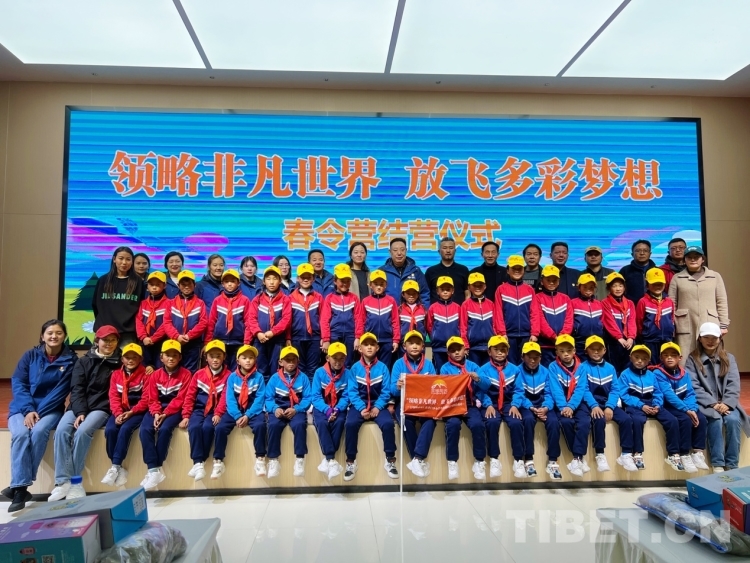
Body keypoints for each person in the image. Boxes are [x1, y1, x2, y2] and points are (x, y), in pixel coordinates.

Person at [5, 320, 77, 512]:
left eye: (59, 333)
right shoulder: (30, 356)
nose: (54, 336)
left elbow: (60, 392)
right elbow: (19, 383)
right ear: (42, 336)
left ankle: (18, 488)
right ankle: (21, 488)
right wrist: (28, 410)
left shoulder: (71, 361)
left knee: (38, 431)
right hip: (21, 408)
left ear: (65, 336)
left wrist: (37, 413)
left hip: (50, 409)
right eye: (50, 333)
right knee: (21, 434)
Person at [49, 325, 122, 501]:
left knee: (82, 432)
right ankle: (62, 482)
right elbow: (77, 388)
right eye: (105, 340)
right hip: (78, 406)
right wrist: (80, 411)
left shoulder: (121, 362)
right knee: (61, 431)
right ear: (97, 341)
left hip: (101, 408)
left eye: (113, 340)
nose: (109, 343)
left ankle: (76, 482)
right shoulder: (83, 361)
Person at [686, 323, 750, 472]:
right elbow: (694, 385)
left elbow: (734, 383)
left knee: (733, 420)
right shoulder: (693, 359)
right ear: (700, 338)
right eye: (706, 337)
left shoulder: (729, 358)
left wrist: (727, 403)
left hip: (727, 403)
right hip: (706, 404)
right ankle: (718, 463)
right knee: (715, 419)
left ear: (720, 339)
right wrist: (713, 403)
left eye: (714, 338)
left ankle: (732, 463)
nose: (710, 341)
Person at [618, 345, 681, 471]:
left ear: (648, 361)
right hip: (634, 404)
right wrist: (641, 405)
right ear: (630, 358)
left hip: (651, 403)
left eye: (644, 358)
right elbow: (623, 395)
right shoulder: (625, 374)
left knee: (672, 420)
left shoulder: (652, 375)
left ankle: (673, 454)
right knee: (637, 420)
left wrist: (657, 404)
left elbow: (658, 392)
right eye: (636, 357)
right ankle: (637, 453)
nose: (640, 361)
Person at [139, 340, 192, 490]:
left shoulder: (186, 374)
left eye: (175, 355)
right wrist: (156, 413)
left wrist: (166, 413)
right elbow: (152, 398)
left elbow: (181, 398)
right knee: (145, 429)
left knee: (165, 429)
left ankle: (156, 467)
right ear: (161, 357)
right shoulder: (155, 375)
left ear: (180, 357)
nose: (171, 358)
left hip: (174, 410)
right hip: (156, 409)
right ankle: (153, 470)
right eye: (168, 355)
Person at [578, 335, 637, 472]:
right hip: (591, 403)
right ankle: (600, 454)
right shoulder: (582, 367)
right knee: (598, 419)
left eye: (599, 349)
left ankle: (626, 454)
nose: (596, 352)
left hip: (607, 403)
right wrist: (594, 406)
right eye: (592, 349)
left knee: (626, 419)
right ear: (586, 351)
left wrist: (610, 406)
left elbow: (615, 389)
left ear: (605, 350)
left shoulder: (610, 368)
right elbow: (584, 390)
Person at [345, 333, 398, 480]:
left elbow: (386, 391)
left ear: (377, 347)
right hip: (359, 405)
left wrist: (378, 407)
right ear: (360, 348)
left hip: (377, 404)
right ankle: (350, 462)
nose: (369, 347)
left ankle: (390, 460)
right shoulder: (355, 368)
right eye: (366, 344)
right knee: (350, 424)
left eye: (372, 344)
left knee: (388, 424)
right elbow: (352, 392)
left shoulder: (383, 368)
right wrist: (361, 408)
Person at [180, 340, 232, 481]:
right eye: (211, 356)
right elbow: (190, 396)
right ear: (206, 357)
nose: (215, 359)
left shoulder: (229, 375)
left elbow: (225, 398)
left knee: (208, 427)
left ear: (224, 357)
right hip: (199, 409)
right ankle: (198, 463)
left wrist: (218, 413)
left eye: (218, 356)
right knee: (194, 427)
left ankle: (201, 461)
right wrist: (186, 415)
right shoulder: (198, 374)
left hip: (215, 411)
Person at [653, 342, 708, 473]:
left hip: (684, 405)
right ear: (661, 357)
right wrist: (686, 410)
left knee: (702, 419)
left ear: (680, 358)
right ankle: (684, 453)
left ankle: (697, 452)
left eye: (673, 355)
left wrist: (692, 409)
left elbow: (690, 393)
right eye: (666, 355)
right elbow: (669, 395)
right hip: (668, 406)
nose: (669, 358)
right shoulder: (658, 373)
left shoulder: (685, 373)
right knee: (685, 420)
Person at [440, 337, 489, 480]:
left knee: (478, 425)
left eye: (459, 349)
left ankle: (479, 461)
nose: (456, 353)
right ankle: (452, 462)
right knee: (453, 425)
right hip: (453, 405)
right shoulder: (444, 368)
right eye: (452, 350)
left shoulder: (473, 366)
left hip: (470, 403)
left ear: (465, 350)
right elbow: (443, 389)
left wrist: (478, 379)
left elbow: (487, 385)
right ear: (448, 353)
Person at [101, 343, 150, 488]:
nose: (130, 360)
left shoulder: (146, 374)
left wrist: (132, 412)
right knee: (110, 430)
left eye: (134, 357)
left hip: (137, 411)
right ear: (122, 359)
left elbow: (146, 399)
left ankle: (115, 466)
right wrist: (118, 413)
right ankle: (118, 468)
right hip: (120, 410)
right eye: (127, 357)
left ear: (140, 359)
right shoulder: (116, 374)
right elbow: (113, 397)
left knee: (125, 428)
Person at [510, 341, 561, 479]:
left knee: (554, 422)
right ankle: (528, 459)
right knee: (527, 420)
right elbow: (519, 393)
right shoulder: (517, 371)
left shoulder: (546, 372)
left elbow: (549, 393)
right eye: (529, 357)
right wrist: (531, 407)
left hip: (543, 405)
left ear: (540, 357)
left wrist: (545, 407)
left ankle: (553, 461)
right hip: (526, 405)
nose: (533, 360)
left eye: (536, 357)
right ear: (522, 357)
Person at [668, 246, 729, 360]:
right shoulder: (677, 278)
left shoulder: (715, 276)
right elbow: (671, 304)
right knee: (685, 358)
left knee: (711, 358)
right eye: (689, 257)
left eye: (696, 257)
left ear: (703, 259)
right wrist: (672, 325)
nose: (693, 260)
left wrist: (723, 324)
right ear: (684, 260)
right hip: (685, 324)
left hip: (710, 322)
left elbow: (721, 301)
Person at [391, 330, 437, 478]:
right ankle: (418, 459)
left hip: (424, 403)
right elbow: (392, 390)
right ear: (404, 346)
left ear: (423, 346)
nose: (415, 346)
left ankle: (417, 459)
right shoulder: (398, 364)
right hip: (405, 402)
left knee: (431, 420)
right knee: (405, 420)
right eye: (411, 343)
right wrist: (398, 387)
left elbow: (435, 387)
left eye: (418, 343)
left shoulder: (428, 364)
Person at [477, 335, 523, 479]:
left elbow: (519, 390)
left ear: (508, 352)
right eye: (496, 349)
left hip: (509, 403)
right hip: (491, 403)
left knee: (516, 422)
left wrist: (515, 405)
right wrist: (488, 404)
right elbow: (480, 391)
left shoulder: (515, 370)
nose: (500, 352)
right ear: (489, 352)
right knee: (491, 422)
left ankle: (518, 460)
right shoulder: (483, 370)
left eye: (503, 349)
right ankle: (494, 459)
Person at [265, 346, 312, 478]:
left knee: (299, 425)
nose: (291, 362)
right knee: (273, 425)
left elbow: (308, 398)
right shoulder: (274, 378)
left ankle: (300, 459)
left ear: (298, 361)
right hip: (279, 408)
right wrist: (275, 409)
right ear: (281, 362)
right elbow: (268, 398)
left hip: (296, 409)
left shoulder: (303, 378)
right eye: (287, 360)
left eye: (293, 360)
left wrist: (297, 409)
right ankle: (273, 460)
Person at [547, 335, 589, 477]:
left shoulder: (581, 368)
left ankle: (577, 459)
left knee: (585, 422)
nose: (566, 354)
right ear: (557, 352)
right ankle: (578, 457)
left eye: (569, 350)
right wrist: (564, 407)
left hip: (576, 403)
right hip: (561, 405)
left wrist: (571, 406)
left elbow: (580, 389)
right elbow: (555, 389)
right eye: (562, 351)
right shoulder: (553, 367)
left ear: (574, 351)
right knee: (565, 422)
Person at [223, 345, 268, 477]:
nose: (248, 360)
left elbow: (260, 399)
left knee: (260, 425)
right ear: (238, 361)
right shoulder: (232, 377)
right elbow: (230, 399)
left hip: (253, 411)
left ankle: (260, 459)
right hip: (235, 411)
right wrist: (237, 415)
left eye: (251, 358)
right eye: (244, 358)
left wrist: (248, 415)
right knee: (220, 427)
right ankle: (218, 460)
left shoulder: (259, 377)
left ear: (255, 360)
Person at [311, 342, 350, 480]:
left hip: (339, 408)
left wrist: (338, 409)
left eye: (341, 358)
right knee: (322, 423)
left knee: (339, 423)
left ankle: (328, 460)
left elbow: (347, 396)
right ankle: (331, 459)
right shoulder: (319, 373)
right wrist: (327, 410)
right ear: (327, 358)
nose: (338, 361)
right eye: (335, 358)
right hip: (322, 407)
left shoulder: (348, 374)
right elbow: (315, 396)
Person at [493, 255, 540, 365]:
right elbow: (498, 313)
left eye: (519, 268)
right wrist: (502, 333)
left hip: (526, 335)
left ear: (524, 270)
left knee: (526, 365)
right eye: (514, 268)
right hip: (508, 336)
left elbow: (534, 313)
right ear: (508, 270)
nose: (517, 271)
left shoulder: (529, 289)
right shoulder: (501, 289)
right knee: (509, 365)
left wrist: (534, 333)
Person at [92, 246, 144, 346]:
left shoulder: (138, 282)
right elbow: (95, 305)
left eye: (128, 259)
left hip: (128, 333)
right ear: (114, 259)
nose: (124, 262)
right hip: (104, 332)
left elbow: (142, 307)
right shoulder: (103, 280)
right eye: (121, 258)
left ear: (132, 261)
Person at [206, 269, 252, 371]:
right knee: (221, 371)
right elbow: (211, 322)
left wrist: (246, 342)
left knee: (236, 371)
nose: (230, 284)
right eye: (226, 282)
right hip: (219, 342)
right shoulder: (217, 300)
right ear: (222, 284)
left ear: (238, 283)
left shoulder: (245, 300)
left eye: (233, 281)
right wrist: (207, 342)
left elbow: (248, 323)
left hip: (238, 342)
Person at [249, 266, 292, 378]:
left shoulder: (285, 299)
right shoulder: (257, 299)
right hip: (260, 340)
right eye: (268, 279)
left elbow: (286, 319)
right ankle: (262, 389)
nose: (271, 282)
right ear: (263, 281)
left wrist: (273, 332)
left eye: (275, 279)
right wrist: (258, 333)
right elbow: (251, 319)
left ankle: (273, 389)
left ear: (280, 281)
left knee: (276, 370)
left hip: (277, 340)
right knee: (260, 370)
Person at [163, 270, 207, 373]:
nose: (186, 287)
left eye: (189, 284)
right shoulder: (171, 303)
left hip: (193, 343)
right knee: (173, 370)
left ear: (194, 285)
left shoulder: (200, 303)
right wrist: (176, 336)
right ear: (178, 285)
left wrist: (189, 336)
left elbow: (203, 322)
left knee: (190, 371)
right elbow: (167, 322)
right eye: (183, 284)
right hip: (174, 341)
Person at [355, 270, 400, 367]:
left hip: (387, 340)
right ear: (370, 285)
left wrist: (396, 340)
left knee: (385, 366)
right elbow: (361, 321)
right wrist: (358, 337)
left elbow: (395, 321)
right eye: (376, 284)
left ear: (386, 285)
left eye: (381, 284)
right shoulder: (365, 301)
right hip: (369, 341)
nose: (379, 287)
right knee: (369, 366)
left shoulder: (391, 301)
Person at [286, 264, 322, 380]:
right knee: (298, 368)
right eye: (303, 277)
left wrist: (324, 337)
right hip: (296, 338)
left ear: (313, 278)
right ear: (297, 278)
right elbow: (288, 320)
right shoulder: (290, 297)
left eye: (308, 277)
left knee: (313, 369)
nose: (305, 280)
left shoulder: (319, 297)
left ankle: (312, 391)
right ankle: (301, 390)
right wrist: (288, 338)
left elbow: (323, 318)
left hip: (314, 338)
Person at [320, 264, 360, 368]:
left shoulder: (354, 298)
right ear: (335, 281)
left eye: (348, 281)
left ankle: (347, 379)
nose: (345, 284)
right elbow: (324, 320)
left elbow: (359, 319)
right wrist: (326, 339)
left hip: (350, 335)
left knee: (348, 362)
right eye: (342, 280)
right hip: (334, 334)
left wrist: (358, 337)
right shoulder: (329, 298)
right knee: (334, 363)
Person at [536, 265, 573, 367]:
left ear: (559, 281)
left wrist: (562, 337)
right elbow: (540, 319)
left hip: (563, 345)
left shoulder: (565, 298)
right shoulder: (537, 298)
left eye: (554, 280)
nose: (551, 283)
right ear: (542, 281)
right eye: (548, 280)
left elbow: (569, 320)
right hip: (545, 346)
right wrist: (553, 336)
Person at [636, 268, 675, 363]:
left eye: (660, 284)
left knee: (666, 364)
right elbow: (639, 321)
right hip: (650, 340)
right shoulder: (643, 301)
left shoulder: (669, 301)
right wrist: (645, 335)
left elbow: (672, 318)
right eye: (654, 284)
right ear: (647, 285)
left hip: (667, 339)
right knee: (651, 364)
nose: (657, 286)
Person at [380, 238, 430, 306]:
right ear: (390, 252)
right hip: (389, 311)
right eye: (395, 250)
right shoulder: (382, 271)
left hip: (411, 312)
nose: (399, 253)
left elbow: (424, 293)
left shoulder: (415, 270)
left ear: (406, 250)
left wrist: (423, 310)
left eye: (402, 250)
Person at [135, 272, 169, 373]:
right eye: (151, 284)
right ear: (147, 287)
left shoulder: (169, 303)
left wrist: (154, 338)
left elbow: (166, 323)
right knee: (144, 369)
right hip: (145, 342)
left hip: (161, 342)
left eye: (158, 284)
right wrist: (144, 337)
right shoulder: (143, 303)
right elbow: (138, 321)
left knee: (160, 369)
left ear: (164, 285)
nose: (154, 287)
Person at [426, 276, 461, 372]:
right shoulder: (433, 308)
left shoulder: (458, 307)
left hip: (454, 347)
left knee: (454, 372)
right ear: (437, 291)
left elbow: (461, 326)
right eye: (442, 289)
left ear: (452, 291)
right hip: (438, 347)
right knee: (440, 372)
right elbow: (429, 326)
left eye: (448, 289)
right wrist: (435, 337)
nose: (445, 292)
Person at [459, 273, 495, 366]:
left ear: (485, 286)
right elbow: (463, 327)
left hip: (489, 347)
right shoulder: (465, 305)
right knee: (474, 373)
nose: (477, 287)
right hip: (473, 348)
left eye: (480, 285)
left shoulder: (491, 304)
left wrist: (495, 343)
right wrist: (466, 345)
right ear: (469, 287)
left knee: (487, 373)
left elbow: (495, 325)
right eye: (474, 285)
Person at [425, 237, 470, 305]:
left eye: (451, 248)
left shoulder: (464, 270)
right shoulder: (430, 271)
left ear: (455, 251)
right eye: (445, 248)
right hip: (436, 310)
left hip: (459, 310)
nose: (448, 251)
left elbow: (467, 294)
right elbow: (426, 294)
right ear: (439, 251)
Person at [571, 274, 603, 360]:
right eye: (585, 287)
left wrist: (600, 328)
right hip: (580, 341)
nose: (588, 290)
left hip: (596, 341)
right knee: (580, 364)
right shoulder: (573, 303)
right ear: (579, 288)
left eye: (591, 287)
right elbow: (570, 320)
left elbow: (602, 320)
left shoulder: (599, 304)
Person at [398, 280, 427, 345]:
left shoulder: (423, 309)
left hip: (419, 343)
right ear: (403, 294)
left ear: (418, 294)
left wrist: (423, 337)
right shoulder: (399, 310)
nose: (411, 296)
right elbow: (397, 326)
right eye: (408, 293)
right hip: (403, 343)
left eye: (414, 293)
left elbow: (427, 326)